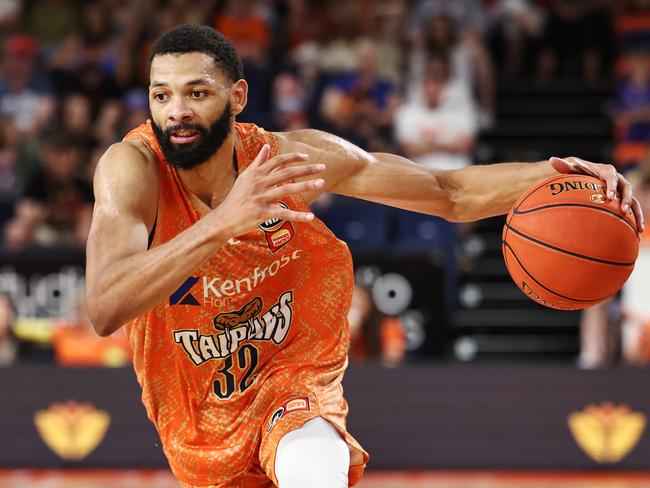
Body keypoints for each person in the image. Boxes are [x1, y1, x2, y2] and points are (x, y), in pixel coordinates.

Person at [85, 24, 644, 488]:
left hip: (294, 380)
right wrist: (224, 223)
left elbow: (446, 191)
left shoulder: (292, 160)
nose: (177, 111)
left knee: (315, 460)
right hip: (197, 419)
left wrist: (554, 173)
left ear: (237, 97)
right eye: (162, 95)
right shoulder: (131, 169)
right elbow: (105, 307)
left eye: (196, 92)